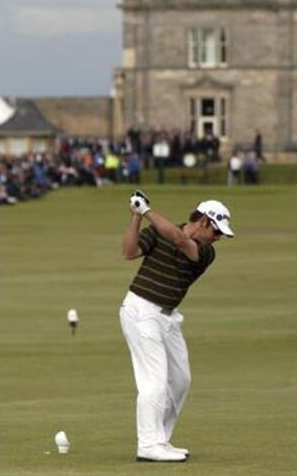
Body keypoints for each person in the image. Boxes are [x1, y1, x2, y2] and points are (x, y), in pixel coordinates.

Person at [120, 190, 235, 462]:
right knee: (155, 382)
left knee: (181, 381)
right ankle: (148, 445)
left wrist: (146, 210)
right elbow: (129, 252)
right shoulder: (160, 231)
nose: (218, 238)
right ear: (205, 221)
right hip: (141, 310)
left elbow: (179, 239)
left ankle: (160, 439)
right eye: (216, 231)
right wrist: (136, 217)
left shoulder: (206, 252)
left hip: (167, 317)